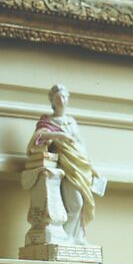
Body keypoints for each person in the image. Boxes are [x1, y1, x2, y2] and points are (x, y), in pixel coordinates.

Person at [27, 84, 106, 244]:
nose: (62, 100)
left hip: (80, 165)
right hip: (66, 165)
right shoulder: (48, 121)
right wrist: (59, 136)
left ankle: (78, 237)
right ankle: (67, 237)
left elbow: (81, 144)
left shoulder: (72, 122)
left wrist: (90, 166)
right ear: (52, 101)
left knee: (82, 202)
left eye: (64, 97)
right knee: (75, 203)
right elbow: (37, 139)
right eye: (58, 98)